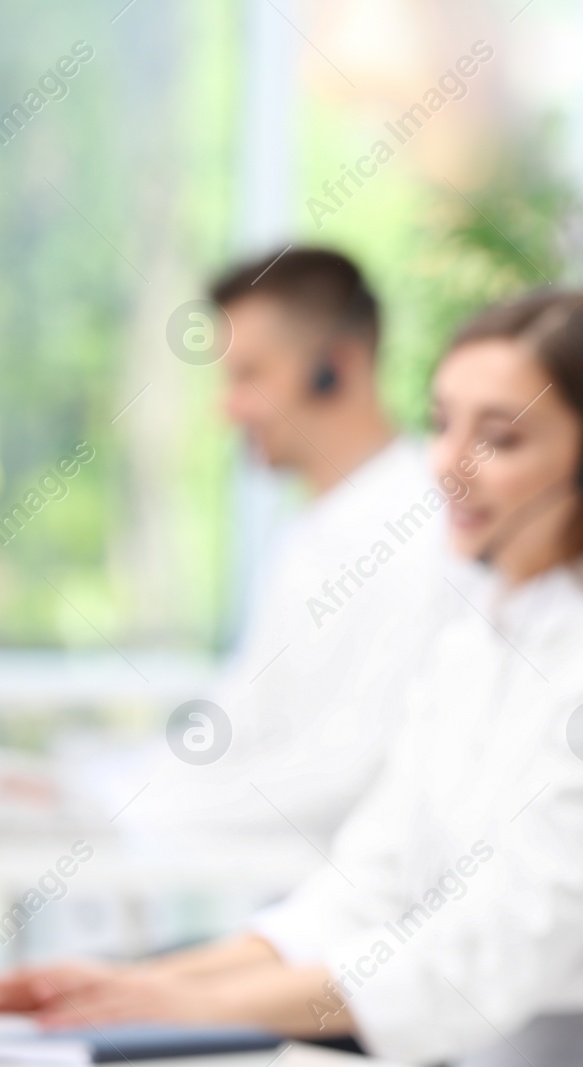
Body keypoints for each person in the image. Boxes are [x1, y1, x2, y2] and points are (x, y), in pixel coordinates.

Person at [1, 291, 583, 1067]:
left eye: (499, 436)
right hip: (465, 1042)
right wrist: (132, 984)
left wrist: (186, 1003)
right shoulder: (476, 643)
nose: (448, 467)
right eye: (441, 422)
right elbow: (365, 886)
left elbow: (486, 956)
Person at [113, 248, 447, 851]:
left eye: (249, 375)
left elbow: (350, 775)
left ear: (335, 367)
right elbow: (238, 720)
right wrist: (93, 794)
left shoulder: (423, 535)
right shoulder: (309, 535)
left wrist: (128, 815)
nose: (228, 405)